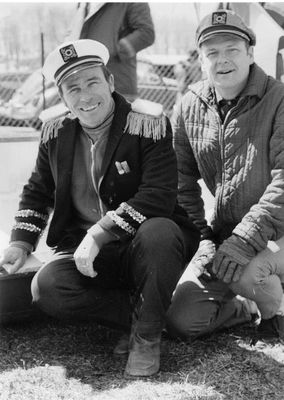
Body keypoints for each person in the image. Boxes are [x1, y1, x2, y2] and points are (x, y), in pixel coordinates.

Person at [0, 39, 199, 377]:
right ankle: (139, 316)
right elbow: (37, 191)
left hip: (145, 243)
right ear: (62, 98)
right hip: (85, 246)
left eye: (92, 81)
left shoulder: (147, 124)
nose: (84, 95)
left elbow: (158, 195)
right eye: (72, 88)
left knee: (160, 230)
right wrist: (19, 242)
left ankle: (146, 339)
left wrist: (101, 231)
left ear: (110, 82)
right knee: (47, 288)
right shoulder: (54, 132)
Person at [166, 10, 284, 342]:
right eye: (212, 52)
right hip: (227, 235)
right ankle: (244, 309)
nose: (222, 60)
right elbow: (179, 182)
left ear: (250, 53)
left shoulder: (279, 99)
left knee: (250, 273)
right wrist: (202, 238)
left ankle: (276, 312)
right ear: (201, 61)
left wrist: (245, 240)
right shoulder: (189, 104)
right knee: (182, 320)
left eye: (232, 49)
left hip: (276, 229)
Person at [66, 2, 155, 102]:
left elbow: (146, 33)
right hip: (84, 84)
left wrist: (111, 51)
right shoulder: (83, 4)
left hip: (117, 83)